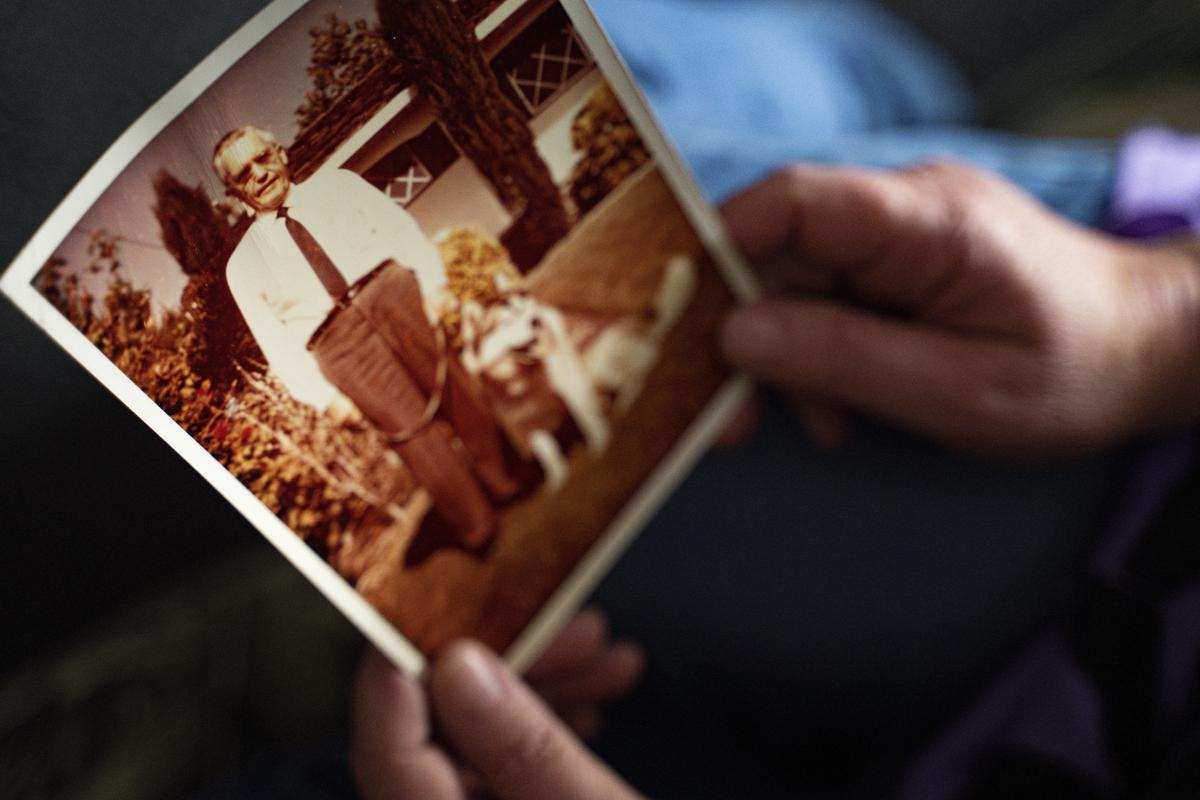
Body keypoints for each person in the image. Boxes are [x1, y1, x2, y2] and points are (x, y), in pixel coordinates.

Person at [348, 1, 1200, 797]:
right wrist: (1164, 316)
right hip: (1144, 438)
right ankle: (884, 81)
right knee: (657, 118)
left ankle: (878, 81)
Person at [214, 126, 522, 548]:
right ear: (234, 193)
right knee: (410, 431)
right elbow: (278, 346)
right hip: (337, 343)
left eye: (262, 158)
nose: (260, 174)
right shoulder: (243, 266)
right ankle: (477, 525)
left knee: (452, 385)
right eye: (243, 174)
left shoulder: (337, 184)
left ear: (280, 154)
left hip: (393, 294)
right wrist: (326, 399)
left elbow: (398, 228)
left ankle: (507, 478)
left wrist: (432, 285)